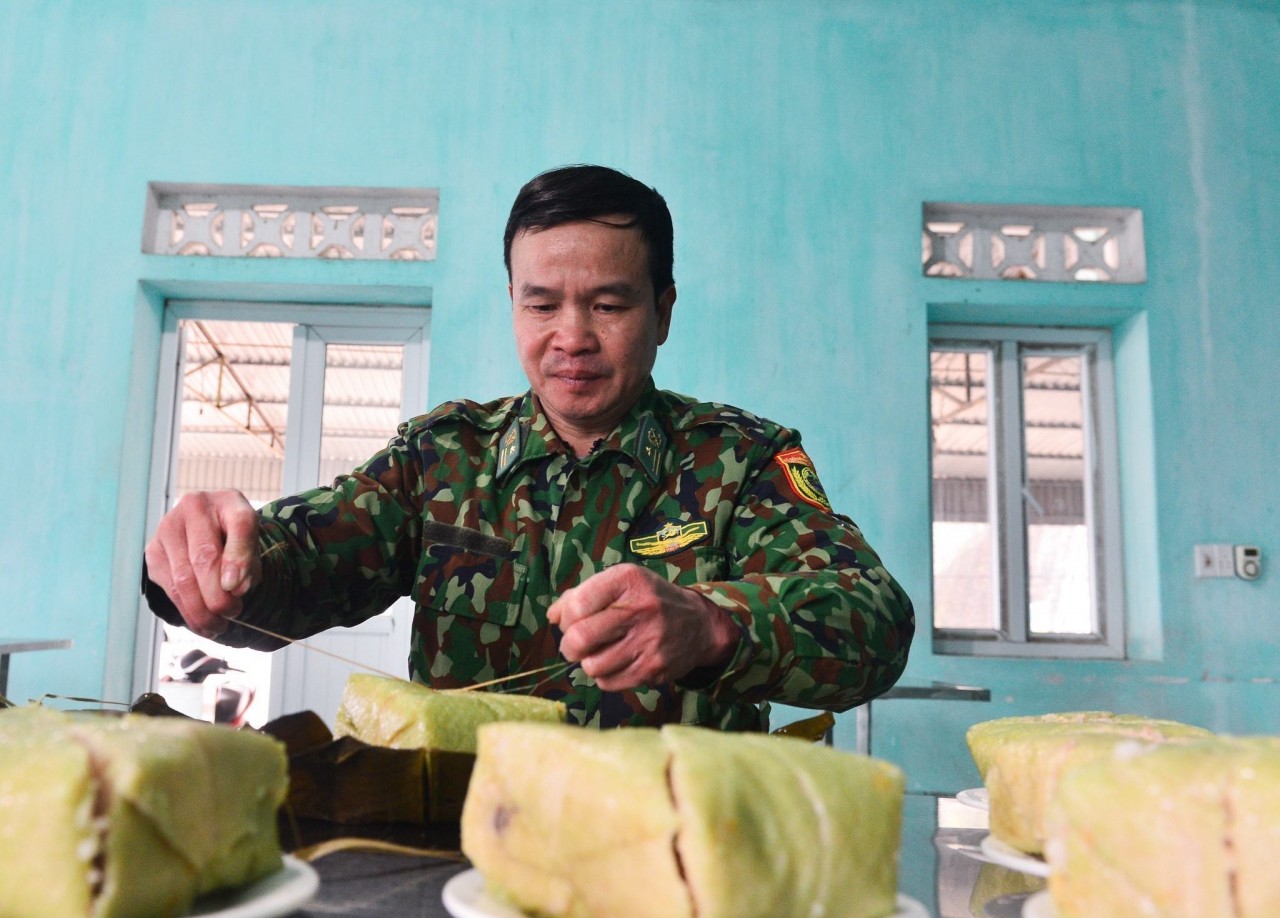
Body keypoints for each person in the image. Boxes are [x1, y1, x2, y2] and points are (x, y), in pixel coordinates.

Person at [144, 164, 914, 730]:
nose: (572, 337)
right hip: (463, 855)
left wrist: (712, 623)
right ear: (513, 302)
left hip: (667, 856)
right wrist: (218, 558)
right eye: (542, 305)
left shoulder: (739, 462)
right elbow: (303, 559)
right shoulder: (441, 459)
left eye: (608, 304)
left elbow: (874, 619)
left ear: (663, 310)